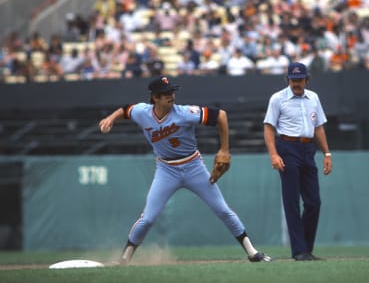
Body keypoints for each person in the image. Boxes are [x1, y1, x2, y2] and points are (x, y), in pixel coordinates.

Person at [99, 76, 272, 265]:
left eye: (172, 91)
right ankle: (124, 259)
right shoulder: (142, 112)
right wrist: (111, 118)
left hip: (193, 166)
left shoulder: (184, 113)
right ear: (155, 97)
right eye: (165, 93)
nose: (171, 96)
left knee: (222, 209)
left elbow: (221, 115)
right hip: (166, 170)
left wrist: (224, 149)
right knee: (148, 219)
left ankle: (252, 252)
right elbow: (125, 110)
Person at [263, 62, 333, 261]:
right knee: (292, 201)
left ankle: (306, 249)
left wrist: (327, 154)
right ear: (287, 79)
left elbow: (318, 127)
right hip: (287, 148)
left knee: (314, 203)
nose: (296, 83)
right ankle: (299, 251)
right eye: (293, 80)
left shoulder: (314, 98)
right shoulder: (278, 99)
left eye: (299, 79)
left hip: (308, 149)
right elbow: (269, 127)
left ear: (307, 79)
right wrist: (274, 154)